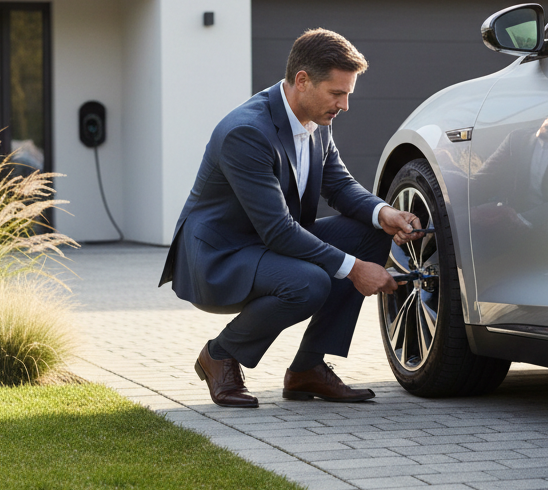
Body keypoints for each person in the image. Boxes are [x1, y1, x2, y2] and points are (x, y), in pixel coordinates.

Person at [159, 28, 424, 408]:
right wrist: (354, 270)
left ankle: (307, 369)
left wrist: (384, 212)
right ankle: (220, 354)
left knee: (371, 232)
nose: (345, 104)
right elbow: (279, 230)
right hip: (221, 257)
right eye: (337, 93)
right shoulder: (247, 133)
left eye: (348, 93)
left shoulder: (314, 122)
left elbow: (340, 185)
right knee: (310, 282)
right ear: (302, 81)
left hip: (267, 244)